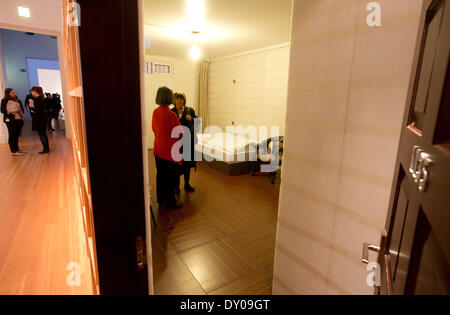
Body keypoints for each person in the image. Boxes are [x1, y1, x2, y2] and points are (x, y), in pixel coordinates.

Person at [152, 87, 184, 210]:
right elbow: (180, 133)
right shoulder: (171, 114)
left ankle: (161, 200)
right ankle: (171, 203)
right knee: (170, 178)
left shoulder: (155, 112)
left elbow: (154, 128)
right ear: (169, 97)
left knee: (160, 176)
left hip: (158, 149)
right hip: (170, 151)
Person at [172, 93, 197, 193]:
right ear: (174, 101)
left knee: (187, 165)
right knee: (177, 166)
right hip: (176, 144)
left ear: (184, 101)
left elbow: (198, 122)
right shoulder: (171, 112)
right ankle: (176, 186)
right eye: (177, 99)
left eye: (181, 99)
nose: (179, 101)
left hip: (187, 143)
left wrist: (191, 119)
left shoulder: (189, 110)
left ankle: (187, 184)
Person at [1, 88, 25, 156]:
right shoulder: (4, 100)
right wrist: (12, 111)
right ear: (8, 93)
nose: (14, 93)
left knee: (16, 135)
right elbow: (3, 110)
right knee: (12, 134)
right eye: (12, 92)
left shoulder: (15, 99)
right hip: (10, 120)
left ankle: (17, 149)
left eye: (14, 92)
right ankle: (13, 150)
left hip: (17, 119)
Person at [30, 86, 50, 154]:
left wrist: (32, 108)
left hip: (39, 119)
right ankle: (46, 148)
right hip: (42, 119)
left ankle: (46, 149)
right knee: (43, 134)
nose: (31, 93)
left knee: (42, 134)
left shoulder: (37, 99)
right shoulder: (42, 98)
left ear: (34, 91)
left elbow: (37, 110)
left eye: (32, 91)